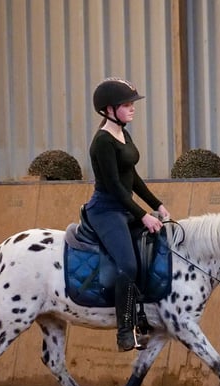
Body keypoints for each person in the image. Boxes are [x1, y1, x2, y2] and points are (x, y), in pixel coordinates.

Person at [85, 77, 171, 352]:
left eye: (132, 103)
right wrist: (143, 214)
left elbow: (131, 177)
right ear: (109, 110)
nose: (132, 108)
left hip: (123, 207)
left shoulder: (123, 133)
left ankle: (142, 314)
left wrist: (157, 204)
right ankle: (124, 331)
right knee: (128, 265)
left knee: (155, 247)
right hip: (106, 210)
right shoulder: (102, 142)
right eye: (126, 104)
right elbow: (113, 186)